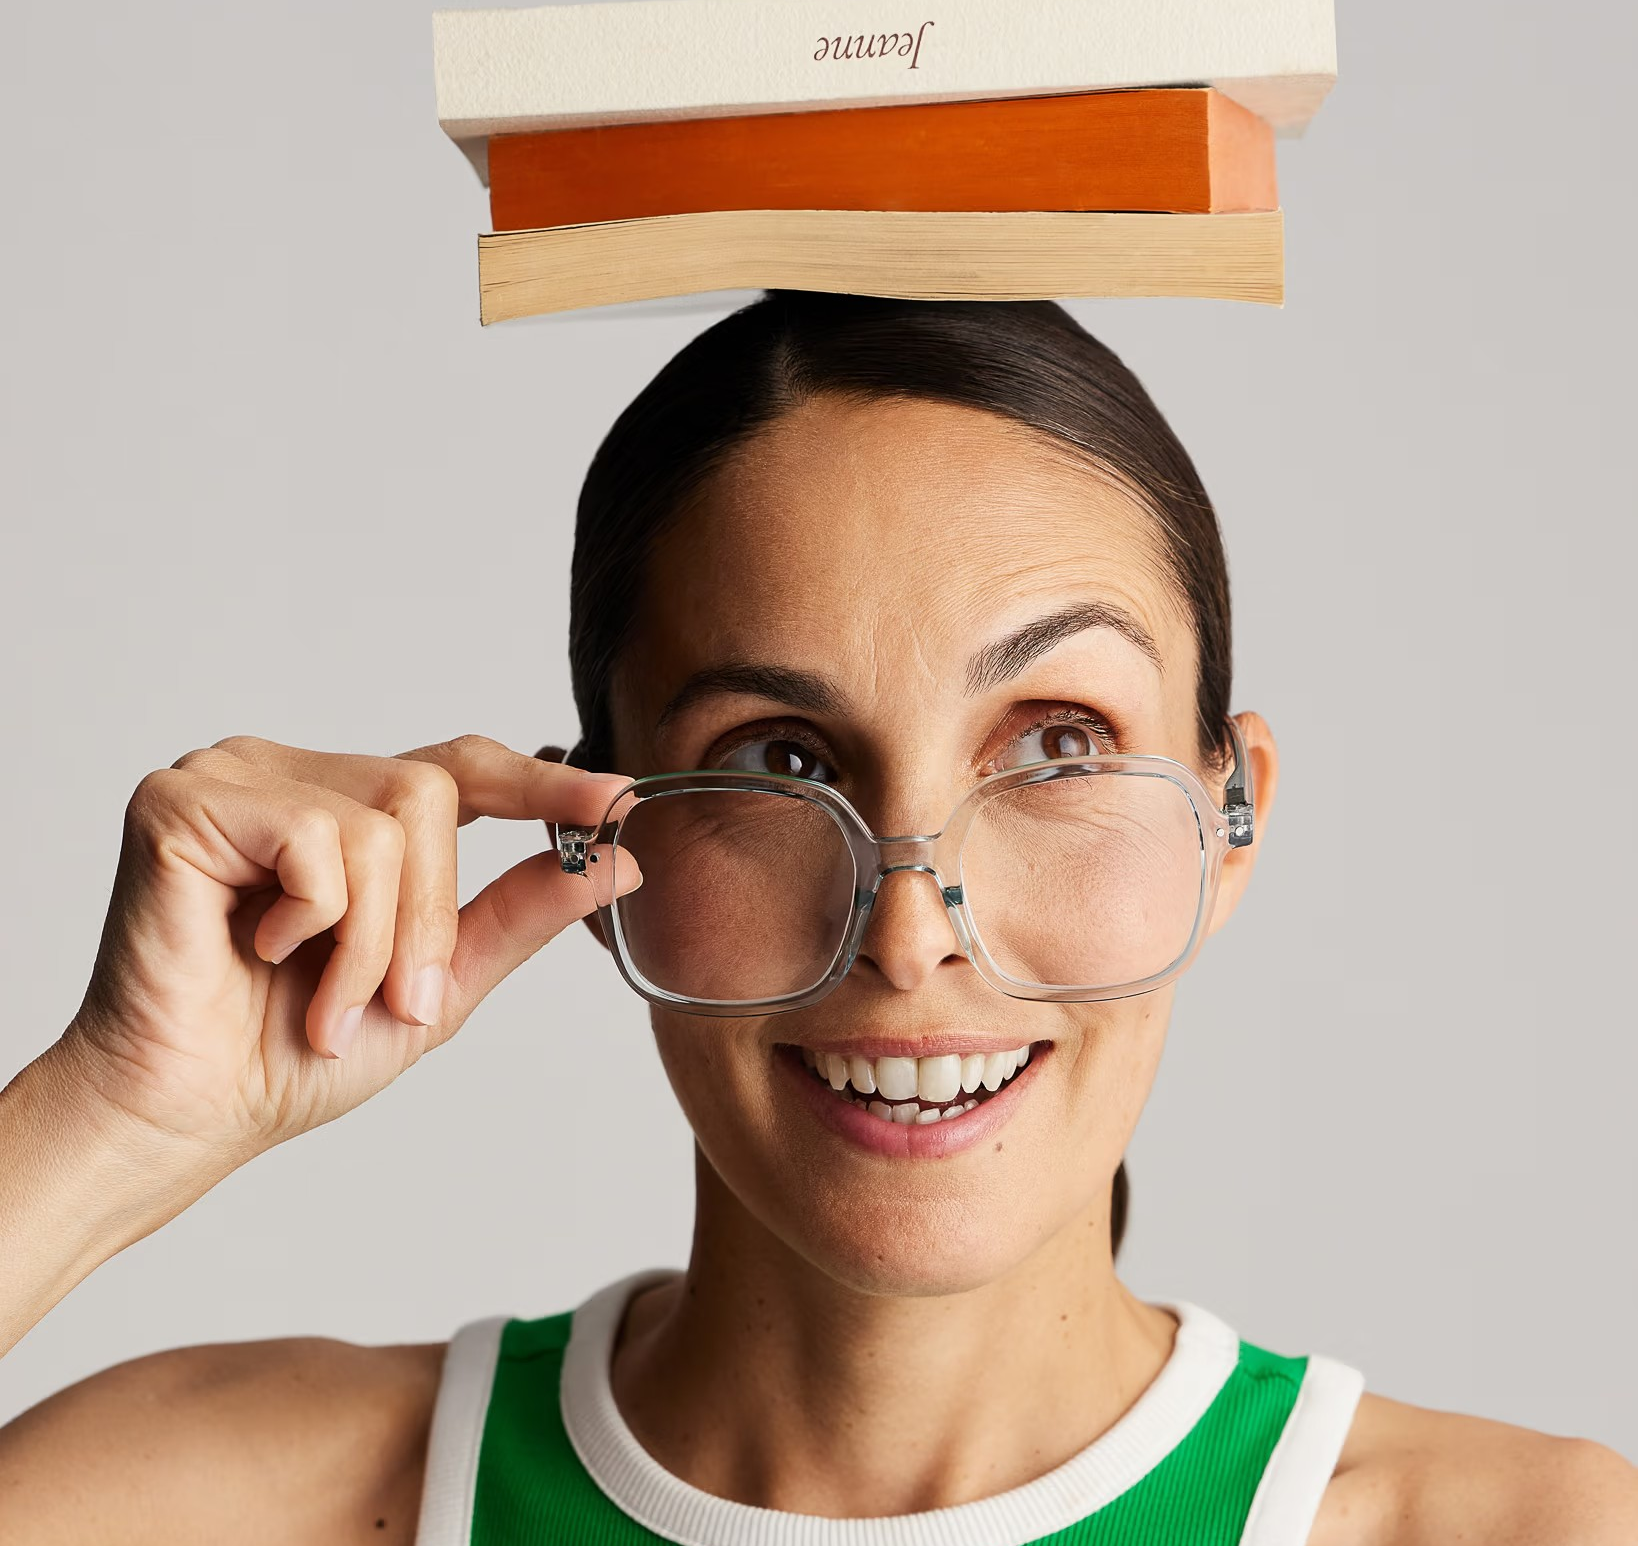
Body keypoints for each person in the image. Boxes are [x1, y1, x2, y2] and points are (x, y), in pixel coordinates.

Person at [0, 294, 1632, 1546]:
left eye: (1055, 748)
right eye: (779, 762)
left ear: (1229, 814)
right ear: (595, 839)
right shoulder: (228, 1500)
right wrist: (112, 1114)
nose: (907, 933)